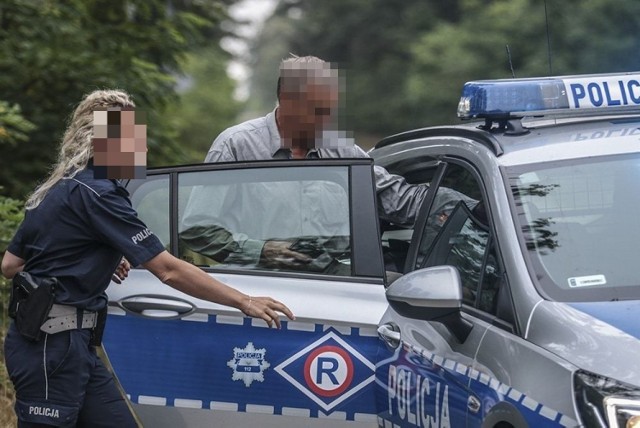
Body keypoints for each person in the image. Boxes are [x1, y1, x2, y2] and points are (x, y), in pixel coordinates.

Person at [1, 89, 294, 427]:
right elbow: (168, 270)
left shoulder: (61, 188)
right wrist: (243, 301)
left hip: (68, 346)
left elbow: (11, 264)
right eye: (131, 139)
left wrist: (96, 255)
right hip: (51, 349)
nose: (142, 148)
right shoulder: (100, 194)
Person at [181, 55, 429, 267]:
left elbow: (401, 201)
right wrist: (261, 251)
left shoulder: (343, 152)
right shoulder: (236, 146)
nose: (327, 121)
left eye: (330, 110)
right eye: (318, 111)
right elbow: (197, 229)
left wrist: (451, 204)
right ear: (288, 102)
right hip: (260, 293)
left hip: (345, 289)